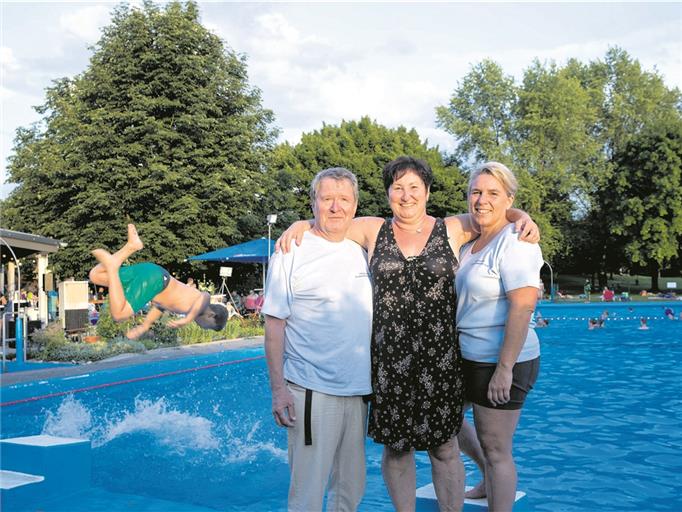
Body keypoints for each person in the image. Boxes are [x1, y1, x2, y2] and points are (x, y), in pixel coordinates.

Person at [278, 156, 540, 509]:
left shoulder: (452, 228)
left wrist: (522, 217)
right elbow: (331, 221)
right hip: (389, 362)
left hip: (442, 360)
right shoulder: (372, 229)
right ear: (387, 193)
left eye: (414, 187)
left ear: (428, 191)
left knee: (444, 447)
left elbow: (492, 211)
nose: (406, 195)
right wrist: (300, 223)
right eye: (397, 187)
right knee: (396, 448)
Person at [262, 167, 373, 512]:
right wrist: (278, 389)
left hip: (357, 392)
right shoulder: (291, 249)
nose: (335, 207)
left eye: (343, 199)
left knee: (349, 492)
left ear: (355, 206)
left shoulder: (363, 248)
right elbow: (274, 325)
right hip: (311, 391)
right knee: (308, 495)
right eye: (327, 199)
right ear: (313, 204)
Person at [455, 161, 543, 512]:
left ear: (508, 198)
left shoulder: (516, 241)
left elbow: (522, 307)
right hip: (468, 355)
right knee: (445, 419)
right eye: (476, 192)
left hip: (503, 359)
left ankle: (496, 493)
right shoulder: (472, 240)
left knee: (497, 448)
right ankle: (484, 475)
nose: (482, 200)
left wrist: (504, 368)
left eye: (493, 193)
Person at [89, 224, 228, 340]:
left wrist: (144, 326)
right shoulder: (202, 303)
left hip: (152, 273)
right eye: (206, 325)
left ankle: (131, 247)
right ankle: (113, 267)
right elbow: (205, 296)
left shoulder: (187, 306)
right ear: (211, 315)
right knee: (119, 314)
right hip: (156, 281)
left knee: (96, 275)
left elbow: (160, 306)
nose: (200, 326)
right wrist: (187, 319)